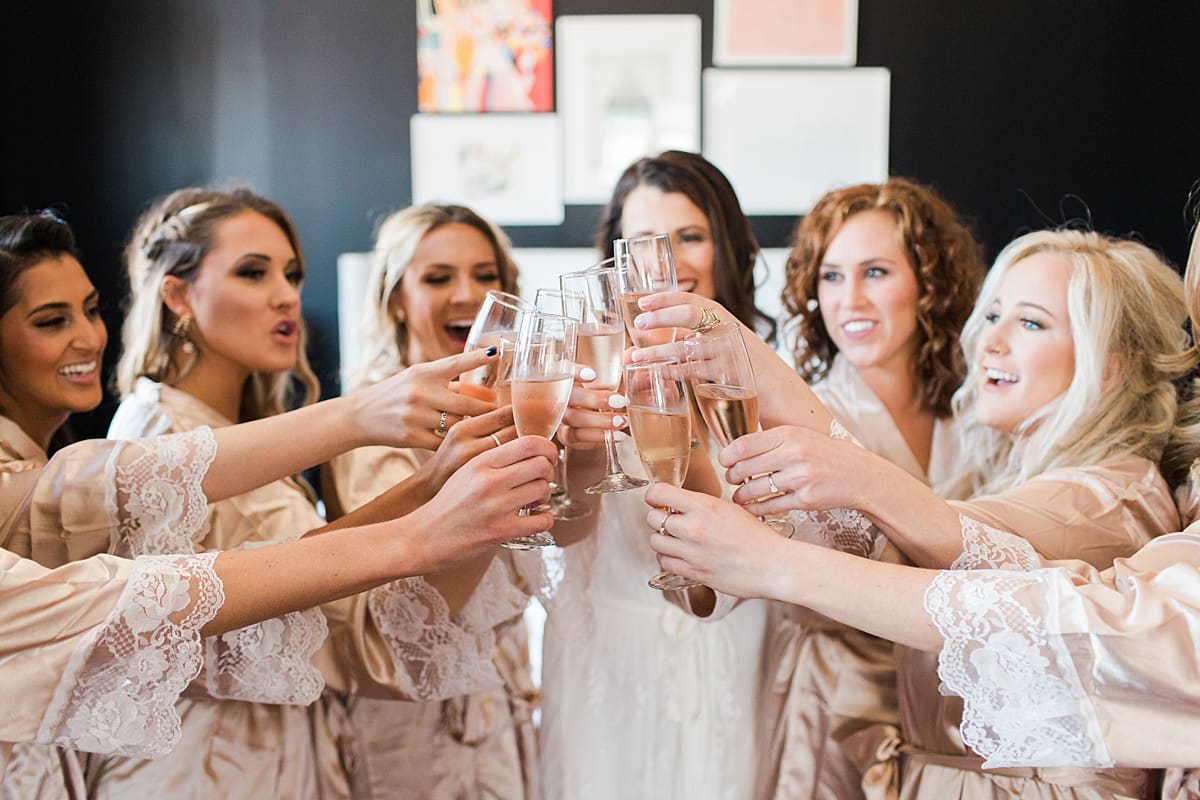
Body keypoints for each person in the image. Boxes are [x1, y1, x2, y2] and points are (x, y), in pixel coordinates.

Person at [0, 210, 556, 795]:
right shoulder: (158, 429)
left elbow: (298, 581)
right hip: (206, 770)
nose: (285, 296)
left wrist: (431, 487)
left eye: (292, 275)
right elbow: (180, 604)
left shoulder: (228, 426)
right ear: (177, 296)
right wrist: (396, 483)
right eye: (253, 273)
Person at [642, 227, 1190, 798]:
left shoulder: (1106, 499)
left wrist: (779, 391)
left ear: (1111, 367)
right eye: (993, 316)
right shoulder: (1020, 473)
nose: (990, 342)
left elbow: (914, 562)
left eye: (1030, 323)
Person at [540, 150, 772, 800]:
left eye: (690, 237)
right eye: (645, 244)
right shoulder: (581, 370)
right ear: (617, 262)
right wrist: (587, 447)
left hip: (729, 655)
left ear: (726, 246)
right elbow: (563, 532)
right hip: (612, 670)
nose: (667, 266)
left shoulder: (764, 377)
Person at [751, 178, 984, 799]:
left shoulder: (977, 412)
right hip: (841, 701)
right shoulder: (799, 419)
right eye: (831, 277)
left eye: (875, 272)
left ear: (929, 283)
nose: (849, 299)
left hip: (956, 713)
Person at [325, 202, 540, 799]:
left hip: (501, 706)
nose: (466, 295)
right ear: (396, 298)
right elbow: (401, 615)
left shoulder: (512, 407)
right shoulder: (371, 426)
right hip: (414, 727)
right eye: (438, 277)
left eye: (484, 275)